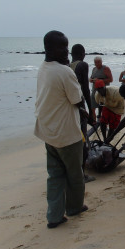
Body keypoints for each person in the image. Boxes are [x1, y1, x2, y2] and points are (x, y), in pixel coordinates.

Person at [34, 30, 88, 229]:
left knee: (55, 176)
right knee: (75, 175)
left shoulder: (43, 68)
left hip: (48, 131)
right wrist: (84, 109)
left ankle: (54, 216)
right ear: (50, 49)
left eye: (67, 46)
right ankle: (74, 207)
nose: (67, 51)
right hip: (67, 134)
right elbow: (77, 99)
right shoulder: (65, 71)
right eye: (62, 47)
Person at [69, 44, 95, 183]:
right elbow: (85, 89)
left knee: (73, 140)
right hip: (80, 108)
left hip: (69, 109)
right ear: (83, 53)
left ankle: (72, 171)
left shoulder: (67, 66)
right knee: (83, 139)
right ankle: (82, 174)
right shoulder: (82, 65)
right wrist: (91, 112)